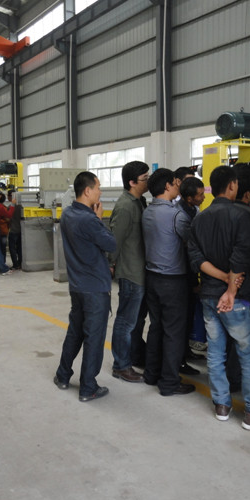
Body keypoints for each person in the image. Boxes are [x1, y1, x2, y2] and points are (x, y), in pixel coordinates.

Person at [188, 166, 250, 431]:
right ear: (232, 185)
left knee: (215, 353)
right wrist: (231, 289)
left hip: (209, 296)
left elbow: (197, 260)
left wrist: (222, 279)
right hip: (237, 299)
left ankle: (222, 404)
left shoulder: (199, 219)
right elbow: (241, 256)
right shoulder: (243, 216)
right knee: (249, 355)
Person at [54, 172, 117, 402]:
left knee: (76, 332)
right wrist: (99, 219)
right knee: (94, 337)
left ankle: (63, 375)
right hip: (95, 288)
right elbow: (111, 243)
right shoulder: (89, 220)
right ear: (88, 191)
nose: (100, 192)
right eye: (98, 187)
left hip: (77, 286)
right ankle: (88, 387)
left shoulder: (68, 213)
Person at [141, 168, 195, 397]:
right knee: (174, 332)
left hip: (152, 277)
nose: (177, 186)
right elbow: (191, 241)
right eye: (175, 183)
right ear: (167, 186)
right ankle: (170, 383)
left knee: (156, 327)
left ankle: (151, 374)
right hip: (173, 281)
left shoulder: (147, 212)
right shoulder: (176, 215)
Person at [109, 161, 149, 383]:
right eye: (145, 179)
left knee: (133, 322)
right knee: (125, 322)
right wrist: (111, 265)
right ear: (132, 182)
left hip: (140, 271)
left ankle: (131, 357)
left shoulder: (139, 202)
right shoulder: (125, 207)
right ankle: (121, 366)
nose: (148, 182)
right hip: (131, 273)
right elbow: (114, 242)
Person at [177, 176, 207, 376]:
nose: (203, 197)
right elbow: (188, 244)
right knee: (182, 317)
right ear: (189, 198)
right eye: (200, 195)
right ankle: (180, 360)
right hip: (183, 271)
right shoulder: (179, 216)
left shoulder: (194, 211)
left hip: (192, 270)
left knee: (189, 315)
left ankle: (186, 352)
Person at [6, 189, 22, 271]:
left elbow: (8, 219)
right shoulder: (21, 206)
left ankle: (15, 265)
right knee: (20, 248)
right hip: (21, 230)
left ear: (10, 196)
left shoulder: (10, 207)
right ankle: (20, 263)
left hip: (13, 230)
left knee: (12, 248)